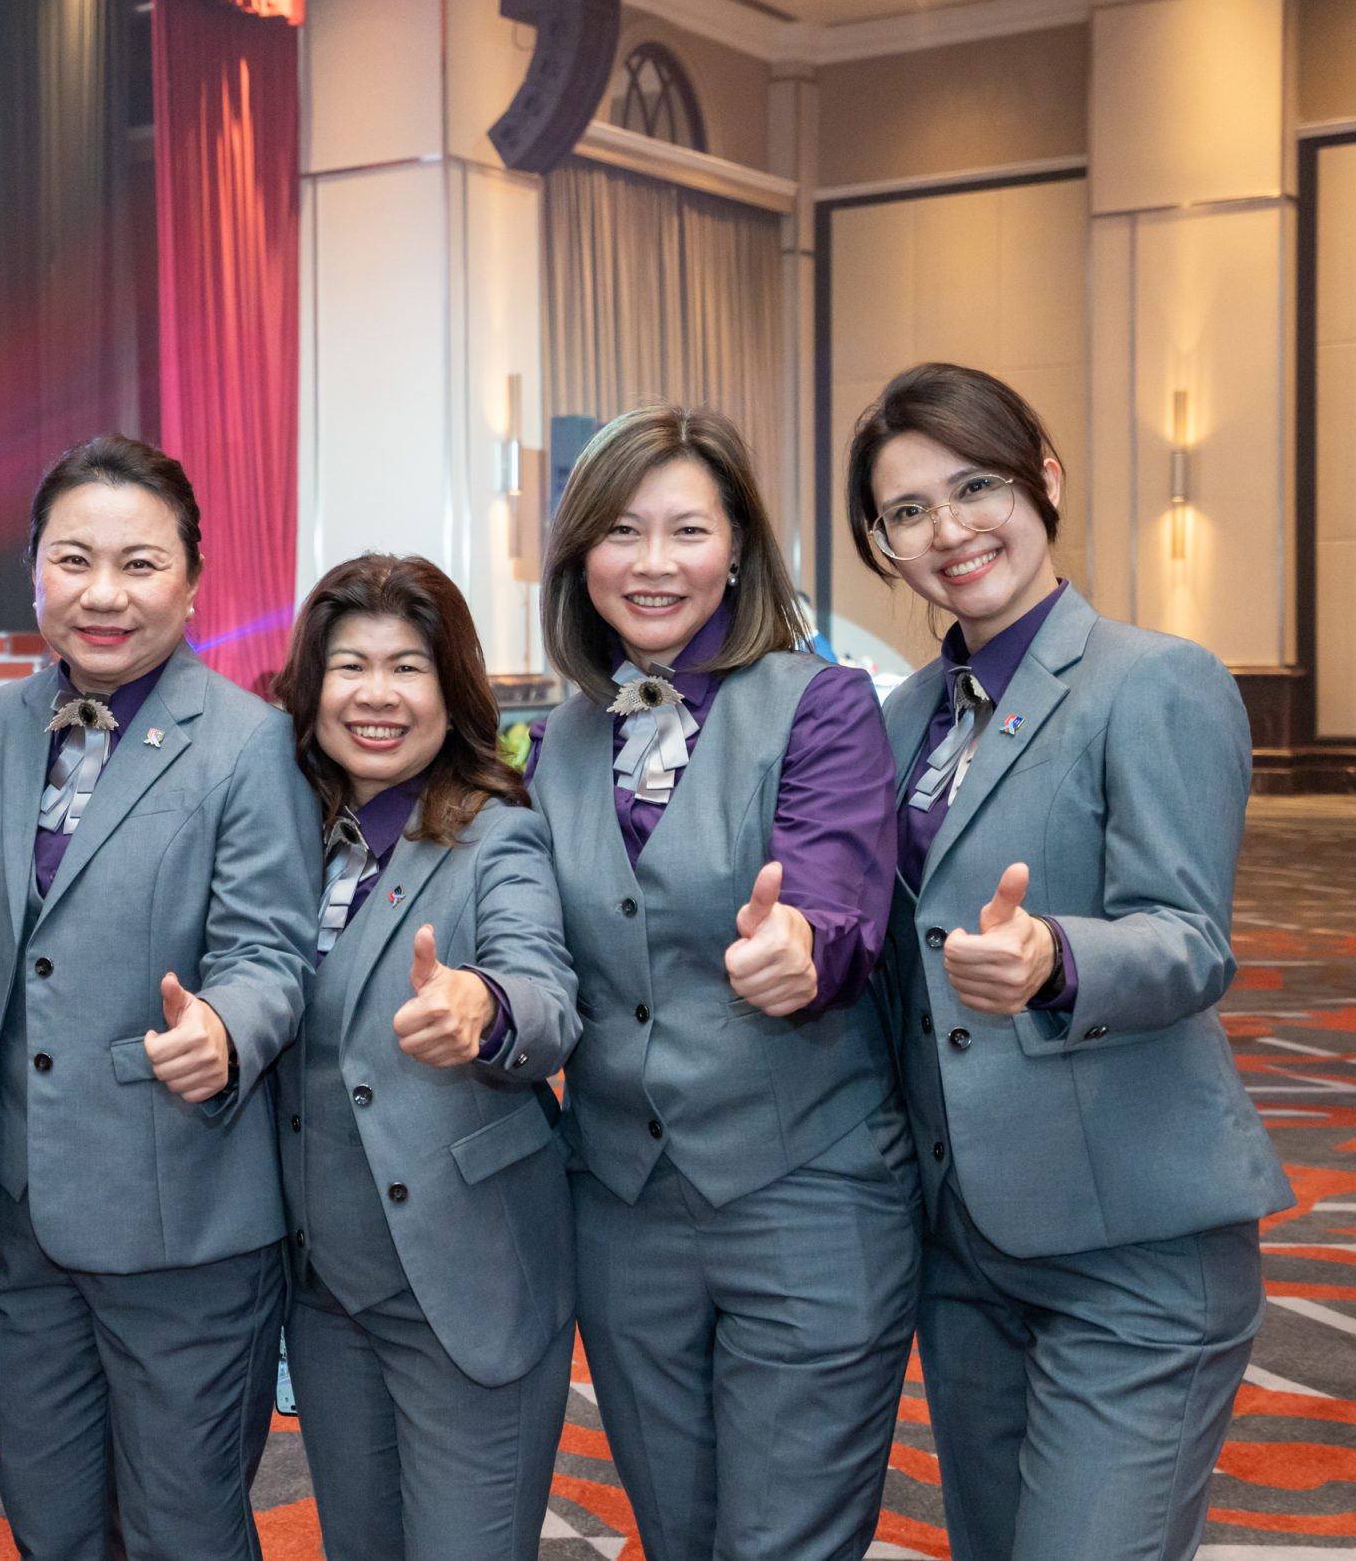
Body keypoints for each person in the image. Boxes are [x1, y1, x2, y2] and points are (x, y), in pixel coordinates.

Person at [847, 362, 1291, 1561]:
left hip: (1135, 1247)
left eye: (975, 486)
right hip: (965, 1243)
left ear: (1042, 478)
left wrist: (1055, 955)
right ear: (883, 546)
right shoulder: (896, 721)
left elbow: (1187, 939)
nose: (948, 530)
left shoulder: (1152, 680)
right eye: (905, 511)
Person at [527, 404, 910, 1561]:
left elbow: (837, 902)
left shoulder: (821, 703)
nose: (653, 563)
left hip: (803, 1187)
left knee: (783, 1540)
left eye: (687, 530)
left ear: (737, 547)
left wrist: (799, 949)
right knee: (677, 1532)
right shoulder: (557, 743)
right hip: (621, 1206)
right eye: (621, 531)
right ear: (580, 554)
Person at [0, 435, 318, 1561]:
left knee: (184, 1530)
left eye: (140, 563)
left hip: (181, 1216)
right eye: (74, 559)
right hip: (21, 1224)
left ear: (193, 581)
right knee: (50, 1525)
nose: (103, 594)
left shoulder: (250, 741)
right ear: (34, 572)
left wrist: (226, 1030)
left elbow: (271, 950)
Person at [270, 553, 579, 1560]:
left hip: (465, 1276)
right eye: (349, 665)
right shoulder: (278, 835)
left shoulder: (495, 836)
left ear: (451, 690)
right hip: (325, 1289)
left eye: (407, 666)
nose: (377, 694)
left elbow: (544, 994)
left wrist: (485, 1008)